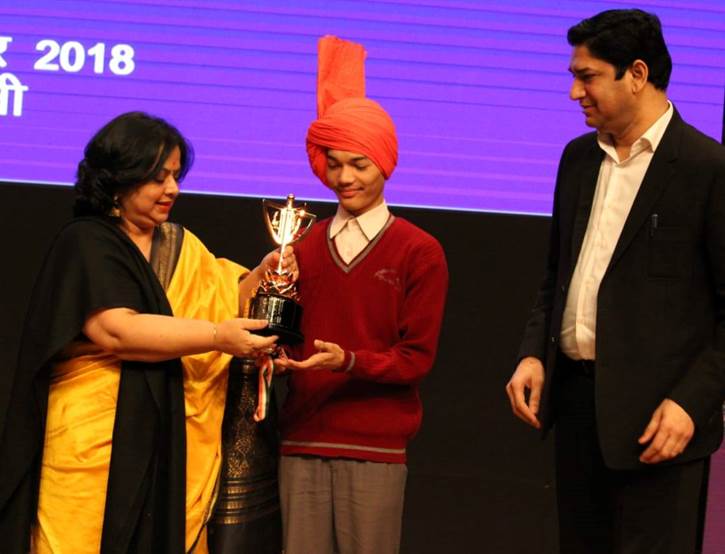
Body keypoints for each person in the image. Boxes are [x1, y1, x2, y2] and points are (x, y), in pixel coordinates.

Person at [0, 111, 295, 553]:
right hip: (90, 444)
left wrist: (265, 275)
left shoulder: (179, 244)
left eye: (175, 176)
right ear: (119, 180)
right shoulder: (86, 242)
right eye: (158, 178)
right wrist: (218, 337)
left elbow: (220, 300)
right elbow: (117, 331)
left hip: (163, 436)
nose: (172, 189)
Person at [506, 9, 725, 554]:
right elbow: (557, 274)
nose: (574, 93)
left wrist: (692, 404)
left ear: (637, 74)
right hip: (579, 410)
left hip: (662, 426)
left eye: (588, 77)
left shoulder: (706, 167)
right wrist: (534, 352)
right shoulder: (577, 159)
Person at [273, 36, 448, 554]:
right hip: (301, 439)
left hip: (375, 446)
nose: (344, 177)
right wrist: (274, 358)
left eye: (359, 164)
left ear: (384, 164)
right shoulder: (300, 245)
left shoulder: (419, 251)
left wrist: (347, 360)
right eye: (334, 163)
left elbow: (415, 359)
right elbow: (287, 334)